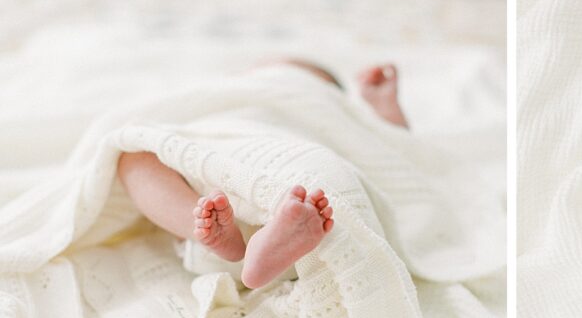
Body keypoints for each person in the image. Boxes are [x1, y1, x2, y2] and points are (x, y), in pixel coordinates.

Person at [115, 59, 407, 290]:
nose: (273, 71)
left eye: (284, 67)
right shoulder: (230, 94)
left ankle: (236, 238)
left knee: (134, 158)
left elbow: (388, 150)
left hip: (275, 171)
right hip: (219, 157)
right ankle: (209, 229)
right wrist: (384, 112)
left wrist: (380, 105)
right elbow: (396, 148)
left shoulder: (324, 103)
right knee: (133, 150)